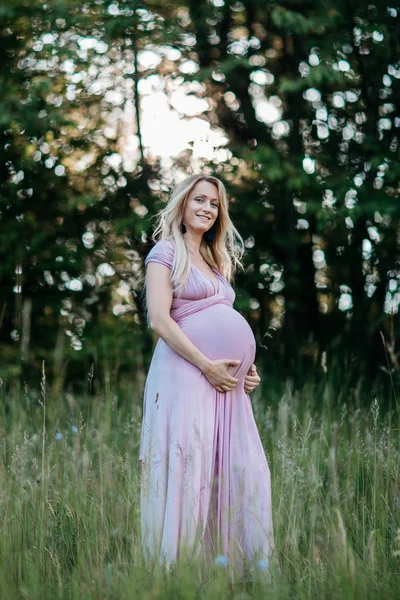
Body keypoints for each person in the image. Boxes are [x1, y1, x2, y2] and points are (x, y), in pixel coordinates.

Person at [139, 174, 274, 580]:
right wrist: (206, 364)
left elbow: (222, 320)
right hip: (185, 374)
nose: (207, 208)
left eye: (214, 204)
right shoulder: (165, 252)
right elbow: (160, 320)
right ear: (183, 205)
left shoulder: (216, 261)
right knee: (190, 466)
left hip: (225, 387)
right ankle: (176, 572)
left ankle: (232, 570)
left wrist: (246, 369)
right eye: (199, 199)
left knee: (235, 466)